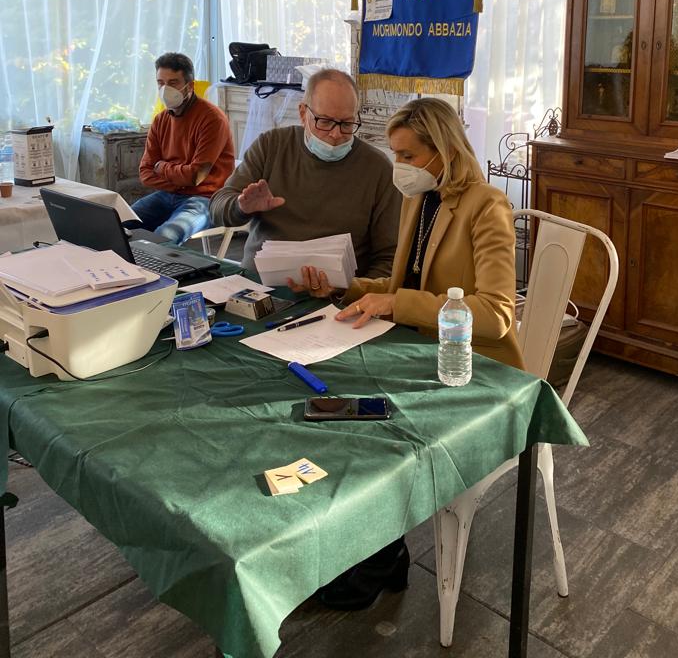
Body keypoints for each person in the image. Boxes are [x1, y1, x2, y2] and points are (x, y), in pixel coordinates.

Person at [311, 96, 523, 611]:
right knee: (331, 408)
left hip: (473, 370)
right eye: (395, 154)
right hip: (416, 349)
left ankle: (378, 557)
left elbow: (496, 313)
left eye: (407, 155)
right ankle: (372, 547)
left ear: (444, 151)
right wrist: (343, 287)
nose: (399, 166)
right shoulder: (419, 198)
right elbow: (402, 285)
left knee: (371, 429)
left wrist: (397, 303)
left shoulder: (487, 206)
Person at [209, 68, 400, 279]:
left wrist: (355, 292)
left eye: (346, 124)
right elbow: (217, 207)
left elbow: (389, 257)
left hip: (338, 292)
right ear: (303, 113)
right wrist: (241, 207)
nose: (335, 134)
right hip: (260, 285)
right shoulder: (271, 146)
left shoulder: (377, 168)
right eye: (324, 122)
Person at [132, 52, 235, 244]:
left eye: (173, 83)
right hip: (167, 195)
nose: (165, 89)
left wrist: (162, 167)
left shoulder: (212, 119)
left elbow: (195, 176)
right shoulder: (161, 120)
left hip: (205, 198)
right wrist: (180, 181)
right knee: (119, 224)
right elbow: (145, 173)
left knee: (164, 237)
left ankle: (153, 264)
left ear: (190, 86)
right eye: (160, 83)